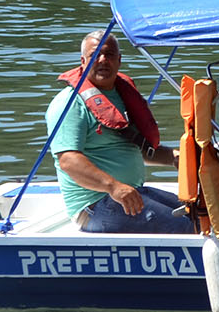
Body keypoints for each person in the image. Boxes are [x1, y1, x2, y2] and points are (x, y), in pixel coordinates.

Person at [47, 31, 194, 234]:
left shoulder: (119, 96)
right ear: (83, 61)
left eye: (109, 54)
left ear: (119, 60)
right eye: (95, 54)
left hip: (131, 193)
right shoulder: (70, 104)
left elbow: (138, 148)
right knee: (189, 227)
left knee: (198, 212)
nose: (102, 60)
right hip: (95, 205)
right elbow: (69, 161)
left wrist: (176, 157)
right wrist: (113, 186)